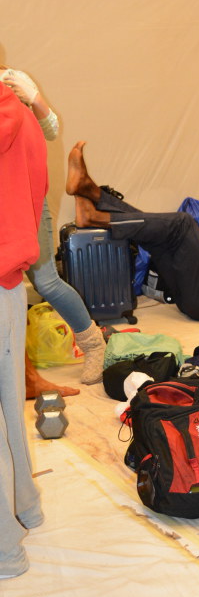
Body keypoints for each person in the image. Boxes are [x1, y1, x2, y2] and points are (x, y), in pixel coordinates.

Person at [0, 67, 105, 390]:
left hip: (23, 197)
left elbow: (51, 128)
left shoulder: (10, 80)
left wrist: (34, 98)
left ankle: (93, 343)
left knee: (45, 280)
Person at [66, 142, 199, 322]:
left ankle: (95, 213)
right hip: (195, 299)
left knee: (182, 224)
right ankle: (91, 192)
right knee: (158, 234)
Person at [0, 78, 47, 578]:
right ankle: (24, 507)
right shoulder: (21, 110)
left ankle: (4, 548)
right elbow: (38, 187)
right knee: (9, 406)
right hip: (9, 280)